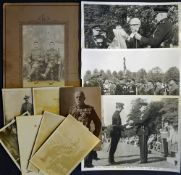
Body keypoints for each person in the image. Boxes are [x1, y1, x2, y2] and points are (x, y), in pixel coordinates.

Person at [69, 91, 101, 167]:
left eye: (80, 97)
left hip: (86, 137)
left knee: (87, 163)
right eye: (76, 97)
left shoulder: (90, 109)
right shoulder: (71, 110)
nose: (78, 99)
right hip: (74, 138)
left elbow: (98, 122)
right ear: (74, 99)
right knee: (74, 163)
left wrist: (95, 134)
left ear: (84, 98)